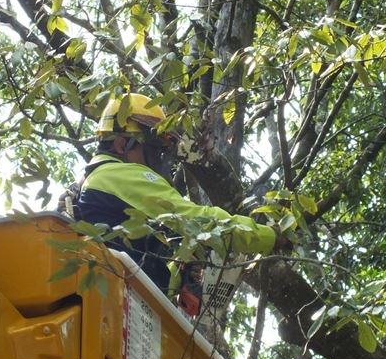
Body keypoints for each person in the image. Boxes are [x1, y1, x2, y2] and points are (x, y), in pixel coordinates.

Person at [59, 93, 276, 312]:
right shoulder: (117, 175)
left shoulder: (96, 181)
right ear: (121, 144)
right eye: (153, 150)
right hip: (113, 308)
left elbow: (140, 272)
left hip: (114, 308)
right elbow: (198, 219)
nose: (158, 160)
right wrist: (268, 236)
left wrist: (179, 272)